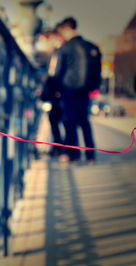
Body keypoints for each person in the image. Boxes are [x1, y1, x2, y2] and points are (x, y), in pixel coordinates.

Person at [51, 17, 101, 163]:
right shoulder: (90, 46)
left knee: (70, 121)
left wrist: (55, 90)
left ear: (67, 30)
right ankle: (91, 155)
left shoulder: (65, 48)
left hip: (69, 89)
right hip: (85, 90)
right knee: (84, 121)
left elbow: (59, 71)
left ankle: (74, 155)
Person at [39, 27, 64, 156]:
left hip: (60, 94)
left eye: (43, 41)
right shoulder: (56, 53)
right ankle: (58, 147)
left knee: (59, 120)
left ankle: (61, 149)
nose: (42, 46)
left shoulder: (59, 53)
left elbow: (55, 75)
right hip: (58, 93)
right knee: (55, 120)